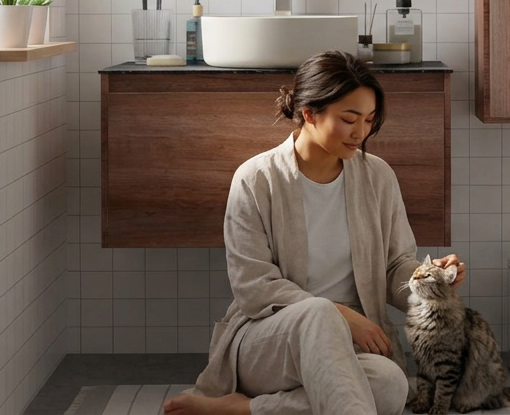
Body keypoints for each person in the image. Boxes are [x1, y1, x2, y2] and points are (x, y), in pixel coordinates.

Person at [164, 51, 465, 415]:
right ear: (309, 113)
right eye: (349, 119)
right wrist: (340, 313)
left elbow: (394, 266)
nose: (361, 132)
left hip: (350, 342)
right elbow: (253, 287)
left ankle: (242, 410)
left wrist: (430, 282)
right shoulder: (256, 179)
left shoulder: (378, 176)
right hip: (269, 340)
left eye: (369, 120)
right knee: (320, 314)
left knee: (390, 385)